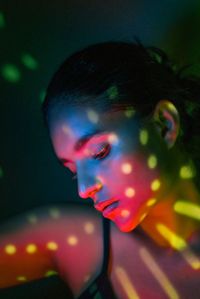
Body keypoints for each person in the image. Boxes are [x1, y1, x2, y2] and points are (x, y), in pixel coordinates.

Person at [1, 40, 200, 299]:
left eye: (99, 152)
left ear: (164, 125)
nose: (84, 189)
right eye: (72, 169)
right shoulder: (75, 240)